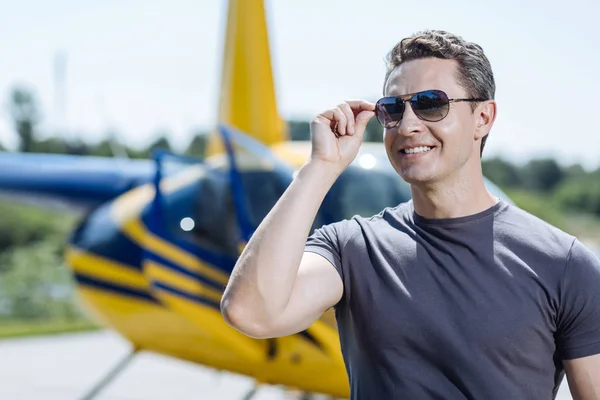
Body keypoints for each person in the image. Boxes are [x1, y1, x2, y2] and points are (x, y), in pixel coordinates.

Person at [220, 29, 600, 399]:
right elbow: (251, 312)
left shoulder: (563, 265)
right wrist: (319, 168)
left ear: (483, 118)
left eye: (431, 103)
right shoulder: (352, 249)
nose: (407, 125)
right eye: (392, 109)